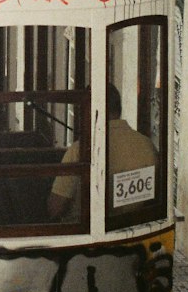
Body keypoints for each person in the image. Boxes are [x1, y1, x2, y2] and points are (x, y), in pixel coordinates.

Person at [47, 83, 156, 220]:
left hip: (83, 235)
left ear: (92, 110)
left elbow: (55, 208)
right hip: (136, 231)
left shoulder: (80, 150)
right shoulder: (147, 145)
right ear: (118, 108)